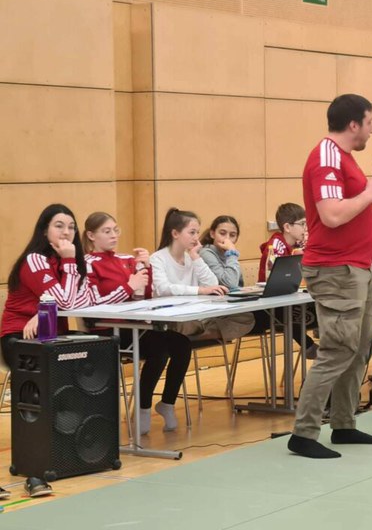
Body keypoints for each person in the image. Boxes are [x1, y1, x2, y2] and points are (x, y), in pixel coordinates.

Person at [287, 93, 372, 459]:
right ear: (354, 124)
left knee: (359, 348)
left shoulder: (345, 159)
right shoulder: (327, 157)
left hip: (358, 267)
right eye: (370, 122)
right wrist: (371, 193)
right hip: (336, 269)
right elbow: (330, 214)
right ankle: (304, 433)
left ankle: (344, 424)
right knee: (336, 350)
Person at [0, 203, 96, 498]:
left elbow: (82, 302)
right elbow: (65, 302)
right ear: (44, 230)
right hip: (20, 339)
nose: (66, 232)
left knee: (83, 378)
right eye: (59, 225)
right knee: (36, 402)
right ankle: (33, 471)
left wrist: (45, 309)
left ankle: (64, 455)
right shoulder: (36, 260)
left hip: (52, 337)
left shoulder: (72, 262)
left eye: (71, 226)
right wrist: (67, 267)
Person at [82, 211, 193, 435]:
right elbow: (92, 304)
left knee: (182, 344)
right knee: (159, 350)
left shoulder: (125, 259)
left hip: (137, 323)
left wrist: (145, 269)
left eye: (116, 230)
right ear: (91, 236)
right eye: (106, 231)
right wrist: (129, 286)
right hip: (109, 328)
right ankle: (142, 409)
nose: (113, 235)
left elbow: (143, 296)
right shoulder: (87, 263)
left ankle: (167, 403)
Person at [150, 208, 252, 426]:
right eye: (192, 232)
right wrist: (199, 291)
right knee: (177, 343)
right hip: (168, 320)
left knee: (246, 317)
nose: (197, 238)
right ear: (175, 233)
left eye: (197, 232)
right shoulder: (157, 258)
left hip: (192, 316)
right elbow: (163, 288)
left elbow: (212, 282)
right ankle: (198, 331)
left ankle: (197, 331)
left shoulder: (191, 258)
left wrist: (196, 258)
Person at [256, 204, 318, 357]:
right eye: (302, 224)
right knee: (290, 312)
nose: (305, 228)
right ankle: (308, 344)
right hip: (270, 304)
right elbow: (276, 278)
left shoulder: (297, 245)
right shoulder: (275, 245)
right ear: (287, 227)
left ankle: (323, 341)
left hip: (292, 297)